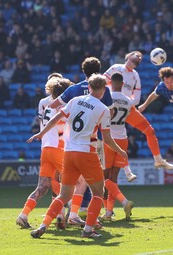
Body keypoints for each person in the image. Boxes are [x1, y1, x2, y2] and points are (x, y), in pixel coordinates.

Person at [28, 74, 128, 239]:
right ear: (103, 90)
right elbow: (108, 139)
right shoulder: (103, 109)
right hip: (86, 152)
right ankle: (88, 230)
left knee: (64, 195)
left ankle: (43, 225)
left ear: (89, 87)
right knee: (98, 192)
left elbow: (55, 118)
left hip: (68, 152)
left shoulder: (75, 101)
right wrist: (121, 151)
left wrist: (41, 133)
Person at [48, 57, 122, 225]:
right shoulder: (105, 90)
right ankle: (83, 216)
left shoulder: (73, 90)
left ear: (83, 71)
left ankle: (62, 214)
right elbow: (110, 114)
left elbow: (53, 105)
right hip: (94, 142)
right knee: (94, 183)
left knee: (64, 180)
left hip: (69, 141)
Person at [104, 51, 173, 171]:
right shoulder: (115, 68)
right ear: (129, 55)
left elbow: (136, 99)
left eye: (140, 58)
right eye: (137, 55)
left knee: (150, 131)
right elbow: (102, 85)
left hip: (126, 108)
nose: (139, 57)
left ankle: (158, 160)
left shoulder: (135, 76)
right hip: (110, 107)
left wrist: (124, 103)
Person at [16, 76, 72, 229]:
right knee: (73, 182)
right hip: (57, 147)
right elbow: (62, 126)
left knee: (43, 186)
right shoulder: (62, 106)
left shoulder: (45, 105)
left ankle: (24, 215)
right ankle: (71, 216)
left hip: (45, 149)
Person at [101, 72, 134, 222]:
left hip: (109, 139)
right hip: (123, 138)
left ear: (110, 83)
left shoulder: (108, 97)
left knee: (104, 178)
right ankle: (108, 212)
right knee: (113, 178)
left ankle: (123, 202)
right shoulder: (128, 100)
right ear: (122, 84)